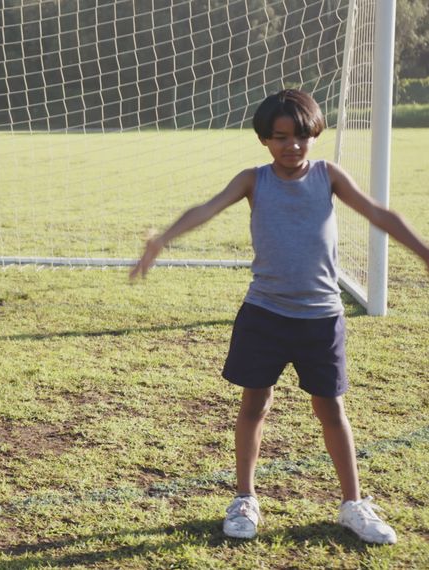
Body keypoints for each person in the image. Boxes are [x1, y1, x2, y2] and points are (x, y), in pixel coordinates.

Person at [130, 89, 429, 545]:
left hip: (321, 319)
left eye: (301, 136)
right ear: (265, 140)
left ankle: (353, 504)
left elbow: (379, 213)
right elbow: (206, 208)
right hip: (264, 314)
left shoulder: (329, 176)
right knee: (255, 405)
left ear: (315, 134)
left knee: (331, 408)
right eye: (280, 137)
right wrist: (162, 239)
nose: (292, 146)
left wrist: (424, 252)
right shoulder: (253, 181)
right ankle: (245, 498)